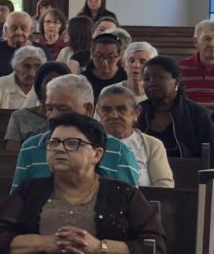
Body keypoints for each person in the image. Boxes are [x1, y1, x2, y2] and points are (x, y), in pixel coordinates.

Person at [0, 110, 168, 254]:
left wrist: (98, 248)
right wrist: (45, 243)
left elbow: (155, 249)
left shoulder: (123, 194)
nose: (59, 149)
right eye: (53, 142)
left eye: (72, 143)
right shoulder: (30, 190)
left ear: (96, 155)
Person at [11, 74, 147, 188]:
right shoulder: (31, 146)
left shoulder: (119, 151)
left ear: (88, 109)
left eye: (63, 109)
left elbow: (127, 206)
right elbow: (17, 202)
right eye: (50, 108)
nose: (53, 116)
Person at [138, 56, 214, 161]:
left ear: (177, 82)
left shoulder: (198, 114)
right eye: (146, 79)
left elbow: (213, 159)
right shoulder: (137, 112)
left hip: (186, 175)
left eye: (159, 77)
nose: (151, 83)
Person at [97, 85, 174, 188]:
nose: (114, 115)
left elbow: (164, 185)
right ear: (98, 112)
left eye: (121, 109)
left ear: (136, 112)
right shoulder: (90, 143)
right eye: (106, 110)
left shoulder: (152, 145)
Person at [0, 39, 45, 113]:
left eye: (37, 66)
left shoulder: (44, 87)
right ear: (16, 67)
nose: (32, 73)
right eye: (26, 66)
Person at [0, 10, 32, 81]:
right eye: (14, 28)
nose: (18, 32)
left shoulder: (40, 50)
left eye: (23, 28)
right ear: (6, 30)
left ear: (30, 31)